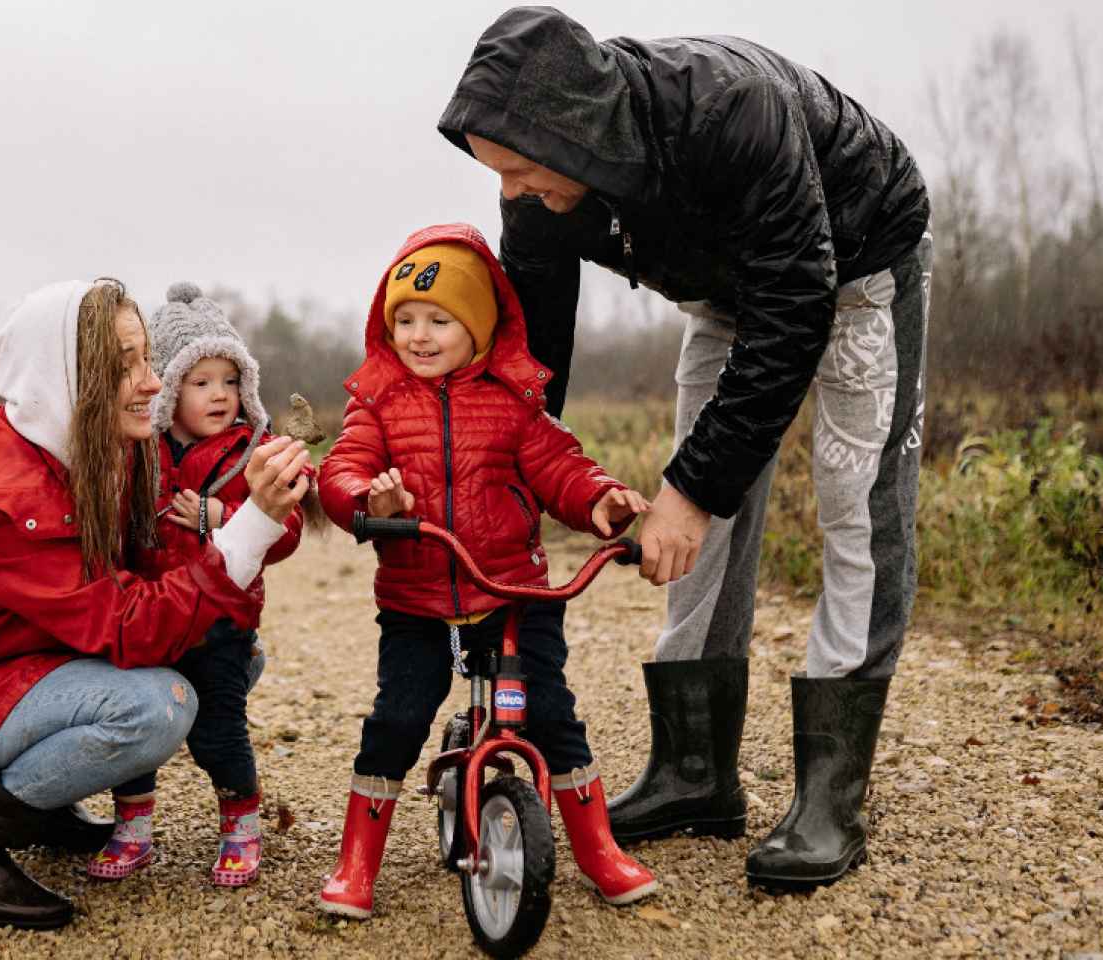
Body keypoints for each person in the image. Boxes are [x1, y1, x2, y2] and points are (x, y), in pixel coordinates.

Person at [438, 8, 932, 888]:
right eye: (494, 173)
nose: (507, 193)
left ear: (575, 131)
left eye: (516, 170)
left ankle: (830, 797)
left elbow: (795, 310)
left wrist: (696, 489)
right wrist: (505, 477)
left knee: (851, 503)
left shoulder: (729, 110)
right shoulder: (537, 185)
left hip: (856, 257)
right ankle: (695, 773)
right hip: (729, 289)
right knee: (683, 525)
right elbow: (534, 362)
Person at [0, 279, 310, 930]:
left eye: (148, 358)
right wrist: (251, 524)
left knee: (231, 659)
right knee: (159, 705)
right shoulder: (11, 498)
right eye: (126, 364)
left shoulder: (77, 451)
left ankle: (44, 807)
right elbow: (130, 626)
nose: (154, 383)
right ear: (67, 376)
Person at [314, 223, 658, 920]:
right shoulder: (378, 405)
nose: (418, 334)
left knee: (550, 715)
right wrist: (366, 499)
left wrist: (600, 499)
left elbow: (561, 465)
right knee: (399, 717)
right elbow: (341, 468)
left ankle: (598, 850)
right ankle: (357, 862)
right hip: (417, 596)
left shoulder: (513, 401)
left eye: (439, 319)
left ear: (479, 326)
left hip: (513, 595)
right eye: (404, 319)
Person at [88, 282, 309, 887]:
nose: (220, 395)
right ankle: (132, 825)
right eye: (201, 381)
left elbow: (285, 536)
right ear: (168, 389)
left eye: (230, 381)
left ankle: (241, 821)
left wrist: (224, 518)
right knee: (136, 737)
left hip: (221, 623)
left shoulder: (253, 452)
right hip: (150, 610)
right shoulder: (141, 452)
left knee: (218, 729)